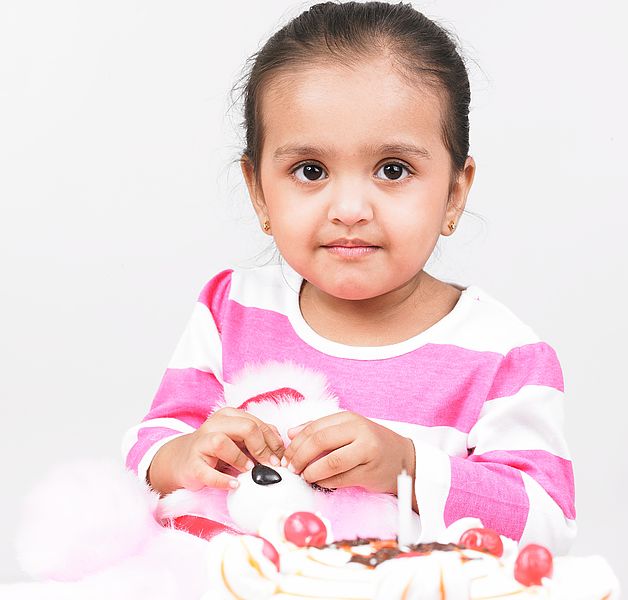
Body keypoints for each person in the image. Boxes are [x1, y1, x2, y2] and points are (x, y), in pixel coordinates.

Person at [121, 0, 576, 554]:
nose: (350, 208)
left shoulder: (503, 355)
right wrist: (184, 455)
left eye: (393, 170)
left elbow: (548, 524)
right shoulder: (232, 308)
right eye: (310, 171)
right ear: (259, 190)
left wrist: (405, 466)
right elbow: (151, 443)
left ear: (455, 190)